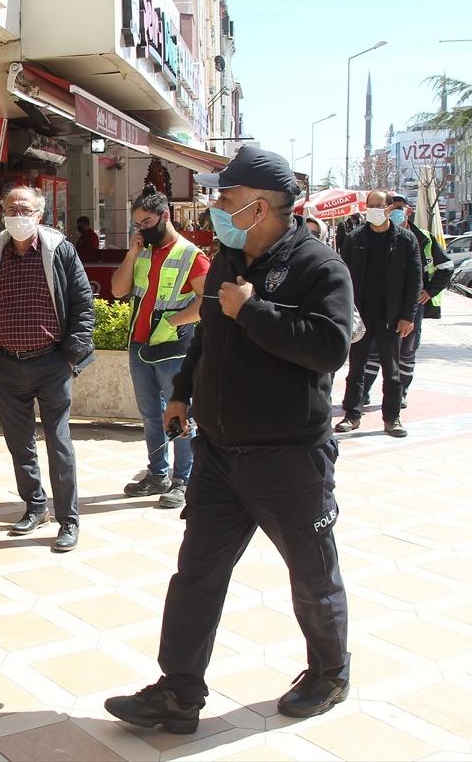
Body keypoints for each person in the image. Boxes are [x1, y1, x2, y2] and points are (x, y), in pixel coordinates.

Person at [103, 146, 355, 733]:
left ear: (260, 206)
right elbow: (209, 338)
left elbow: (329, 348)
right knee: (196, 575)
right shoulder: (226, 259)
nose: (216, 206)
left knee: (312, 575)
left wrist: (254, 311)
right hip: (220, 457)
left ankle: (330, 671)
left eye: (226, 197)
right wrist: (183, 392)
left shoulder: (320, 267)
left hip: (290, 460)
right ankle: (178, 692)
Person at [0, 184, 95, 552]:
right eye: (11, 208)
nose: (17, 215)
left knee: (59, 443)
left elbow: (83, 304)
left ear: (39, 214)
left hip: (51, 363)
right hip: (6, 365)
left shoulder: (61, 252)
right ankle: (35, 506)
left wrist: (71, 354)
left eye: (24, 209)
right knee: (18, 444)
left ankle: (68, 520)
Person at [109, 184, 209, 508]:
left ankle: (183, 480)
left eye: (148, 222)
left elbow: (207, 300)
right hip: (139, 347)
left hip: (174, 349)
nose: (142, 229)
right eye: (138, 224)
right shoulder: (143, 251)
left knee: (178, 415)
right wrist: (131, 253)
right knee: (150, 415)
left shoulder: (191, 254)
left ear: (166, 216)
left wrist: (174, 321)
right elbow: (119, 290)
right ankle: (157, 474)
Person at [334, 190, 422, 437]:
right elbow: (342, 276)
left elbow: (414, 280)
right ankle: (352, 415)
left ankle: (392, 418)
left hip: (391, 317)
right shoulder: (354, 239)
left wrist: (408, 316)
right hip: (360, 316)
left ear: (388, 208)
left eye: (378, 205)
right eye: (369, 205)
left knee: (391, 370)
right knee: (356, 368)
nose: (373, 209)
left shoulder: (405, 240)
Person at [361, 195, 454, 406]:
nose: (394, 210)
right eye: (391, 206)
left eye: (399, 207)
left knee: (406, 351)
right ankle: (363, 391)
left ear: (408, 210)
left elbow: (446, 268)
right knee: (373, 350)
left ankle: (400, 393)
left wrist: (429, 291)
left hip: (411, 306)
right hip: (381, 305)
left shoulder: (422, 238)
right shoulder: (368, 236)